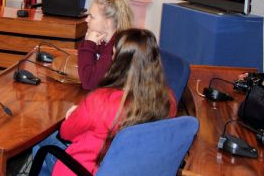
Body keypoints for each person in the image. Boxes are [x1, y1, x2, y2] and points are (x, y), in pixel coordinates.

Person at [47, 29, 176, 176]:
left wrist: (72, 114)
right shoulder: (168, 99)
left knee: (43, 146)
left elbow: (66, 133)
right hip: (132, 170)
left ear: (122, 63)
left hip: (87, 170)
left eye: (114, 54)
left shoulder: (100, 100)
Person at [78, 0, 134, 90]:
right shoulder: (105, 42)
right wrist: (89, 42)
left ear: (107, 23)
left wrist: (89, 44)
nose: (86, 19)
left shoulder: (114, 48)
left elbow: (88, 83)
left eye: (91, 16)